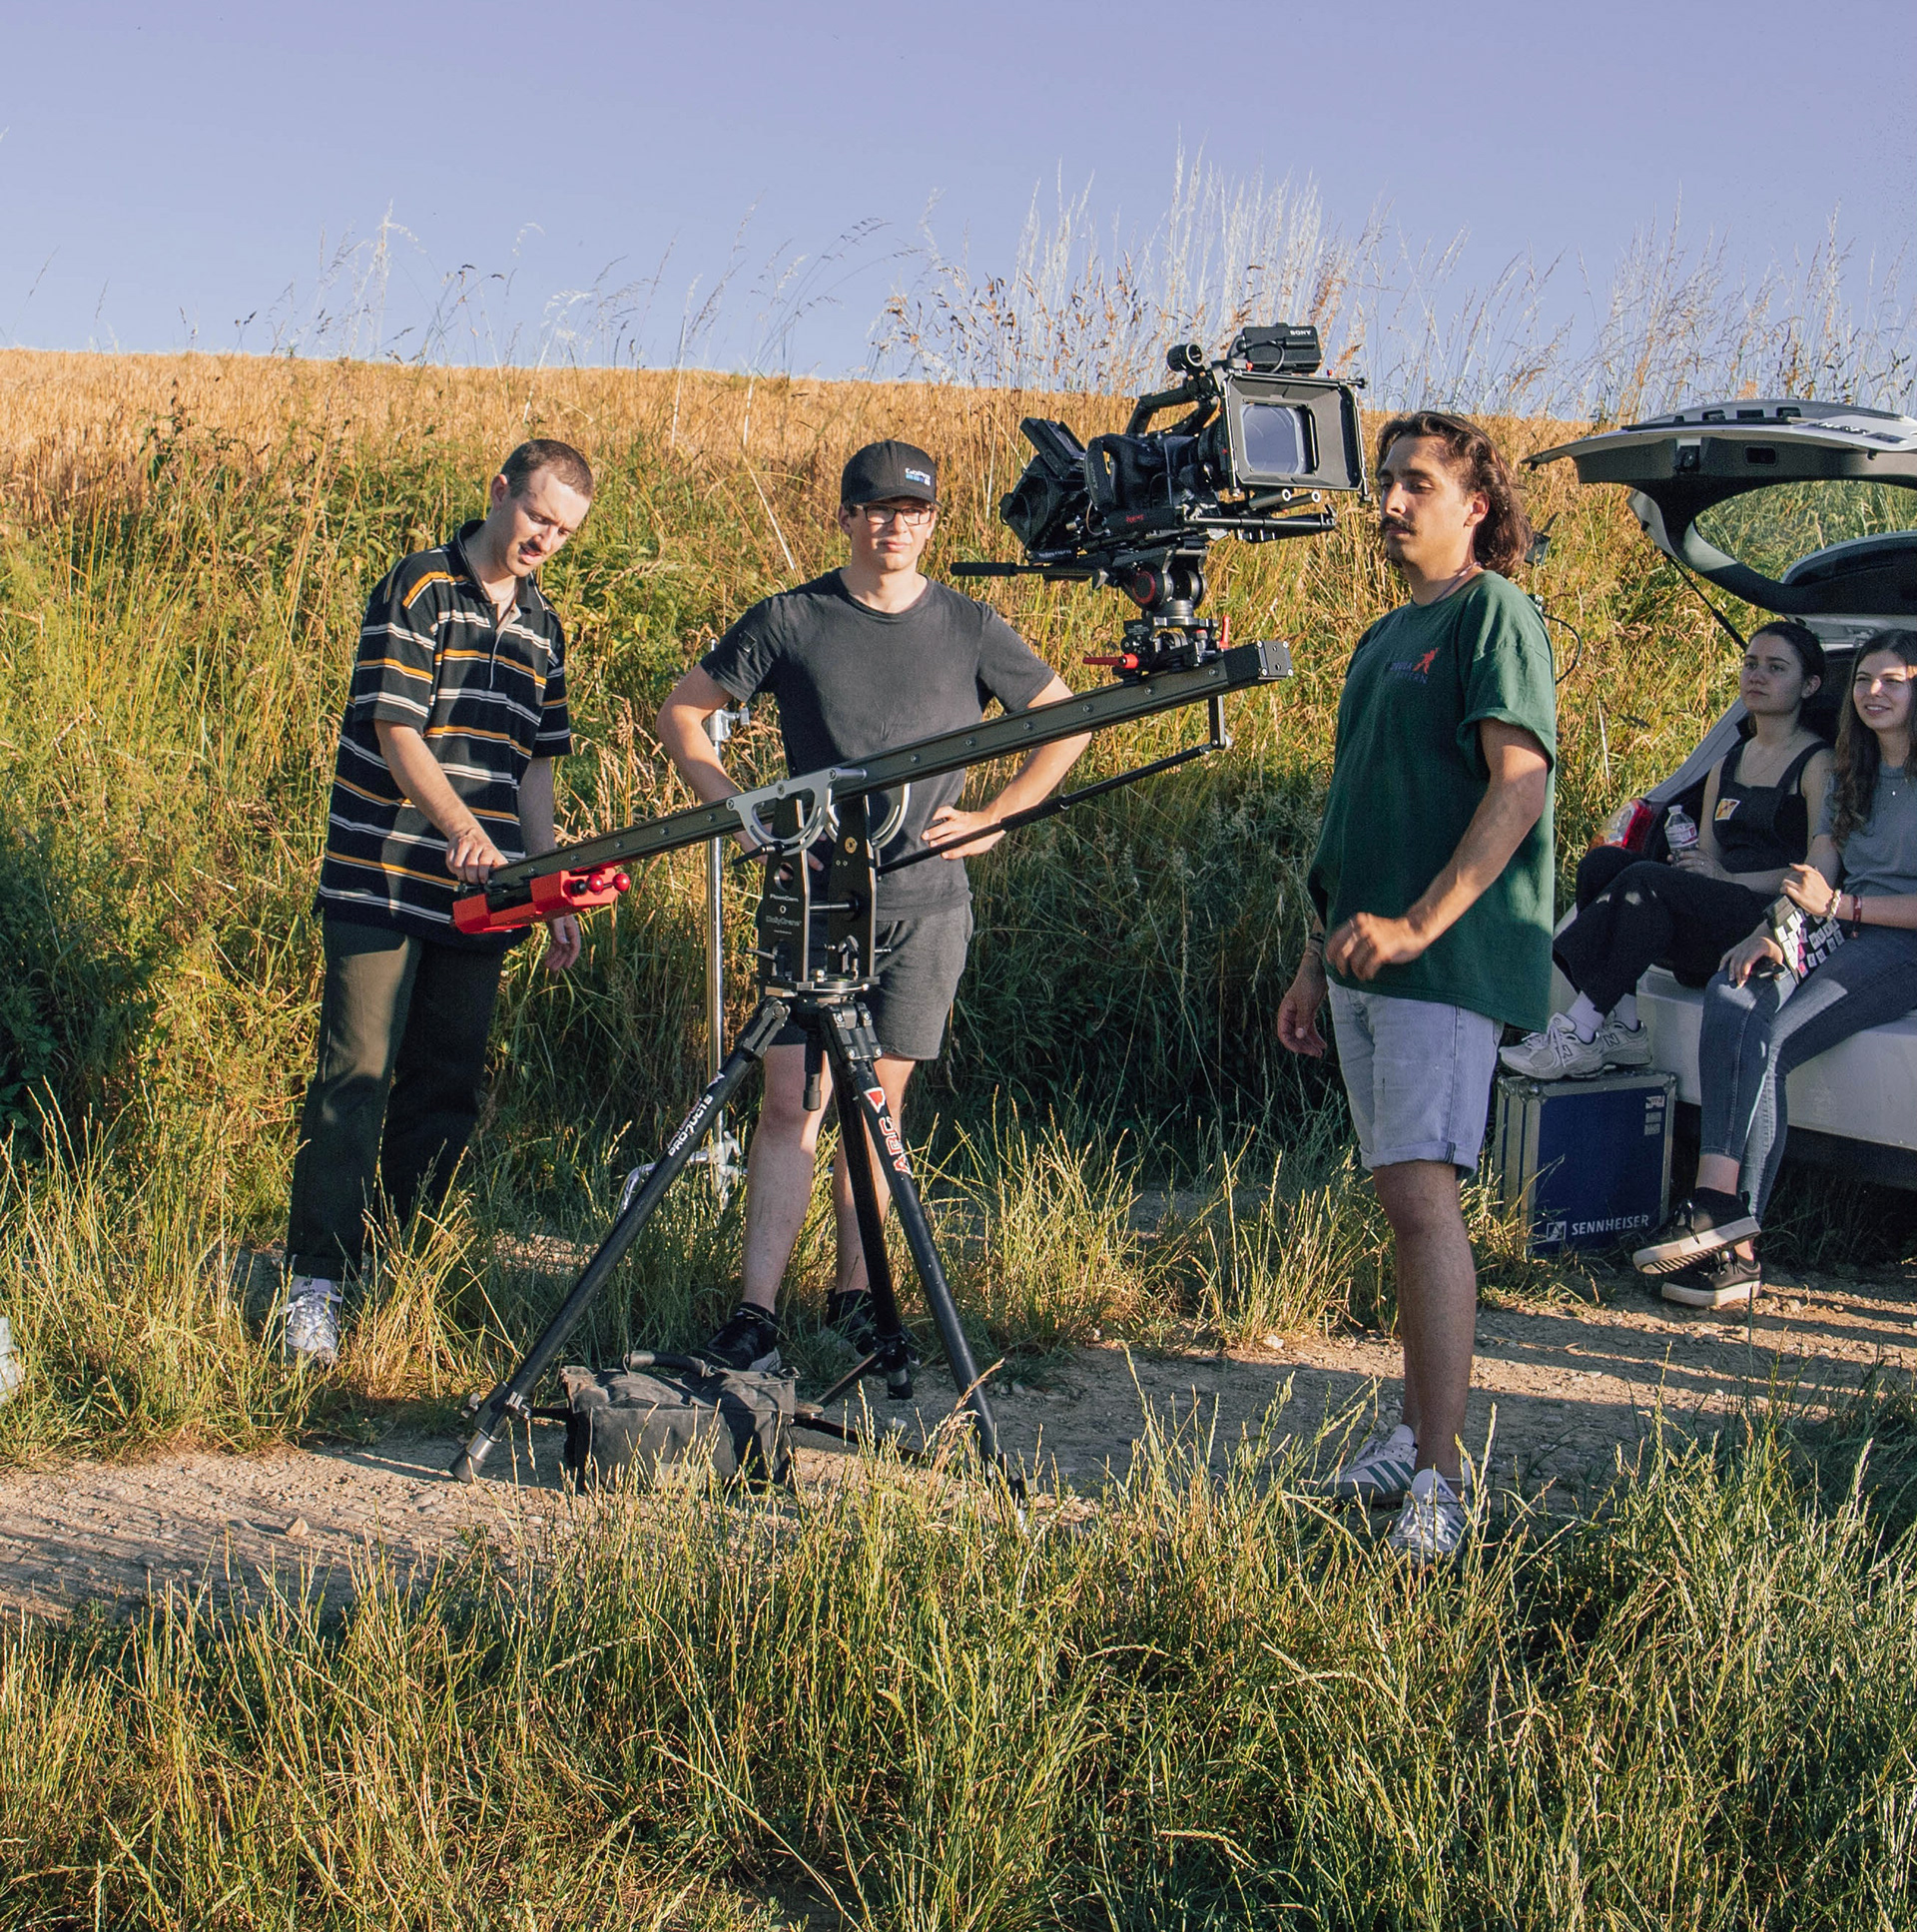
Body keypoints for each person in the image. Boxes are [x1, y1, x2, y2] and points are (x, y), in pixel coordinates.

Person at [655, 439, 1090, 1372]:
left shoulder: (971, 625)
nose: (897, 525)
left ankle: (858, 1298)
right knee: (788, 1101)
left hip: (926, 898)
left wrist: (1000, 817)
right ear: (847, 517)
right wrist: (732, 804)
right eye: (879, 509)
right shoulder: (791, 617)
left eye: (915, 511)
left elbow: (1066, 718)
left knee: (878, 1104)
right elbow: (682, 711)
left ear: (933, 522)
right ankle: (755, 1313)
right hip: (812, 892)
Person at [1276, 411, 1556, 1564]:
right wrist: (1314, 952)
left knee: (1424, 1199)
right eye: (1387, 482)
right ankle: (1409, 1432)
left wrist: (1420, 924)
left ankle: (1441, 1477)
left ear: (1475, 504)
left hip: (1441, 959)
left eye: (1417, 484)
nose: (1389, 502)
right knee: (1400, 1196)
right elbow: (1353, 805)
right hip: (1361, 959)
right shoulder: (1385, 635)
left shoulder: (1496, 613)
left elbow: (1520, 786)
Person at [280, 440, 594, 1365]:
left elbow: (535, 765)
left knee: (446, 1087)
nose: (546, 539)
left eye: (565, 531)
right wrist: (461, 826)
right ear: (498, 492)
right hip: (381, 873)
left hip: (484, 893)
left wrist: (544, 881)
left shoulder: (545, 628)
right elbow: (395, 726)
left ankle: (405, 1275)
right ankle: (317, 1283)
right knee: (354, 1079)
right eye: (538, 515)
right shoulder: (420, 586)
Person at [1632, 629, 1917, 1309]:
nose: (1872, 691)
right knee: (1736, 996)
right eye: (1863, 680)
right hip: (1836, 920)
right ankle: (1719, 1222)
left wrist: (1842, 906)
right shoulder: (1854, 772)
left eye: (1892, 680)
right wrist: (1773, 930)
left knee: (1777, 1041)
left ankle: (1732, 1232)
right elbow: (1821, 865)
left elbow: (1848, 895)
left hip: (1899, 944)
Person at [1502, 622, 1831, 1080]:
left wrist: (1729, 880)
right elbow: (1707, 857)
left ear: (1810, 685)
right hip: (1718, 900)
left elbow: (1817, 876)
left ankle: (1580, 1029)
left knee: (1647, 884)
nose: (1758, 676)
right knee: (1604, 863)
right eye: (1751, 663)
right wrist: (1699, 869)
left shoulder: (1818, 763)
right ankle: (1625, 1025)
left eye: (1776, 668)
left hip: (1765, 917)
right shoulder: (1727, 762)